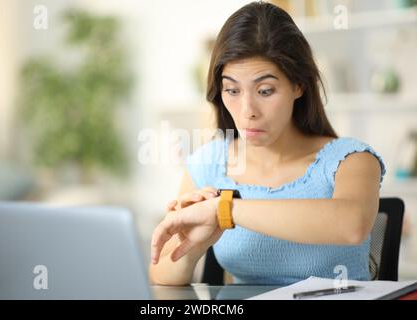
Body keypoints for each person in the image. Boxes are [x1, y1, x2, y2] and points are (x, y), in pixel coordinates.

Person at [149, 1, 386, 286]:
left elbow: (352, 225)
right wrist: (193, 248)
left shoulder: (350, 159)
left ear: (298, 85)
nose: (248, 109)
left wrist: (224, 210)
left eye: (265, 90)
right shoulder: (208, 163)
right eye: (232, 90)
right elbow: (161, 274)